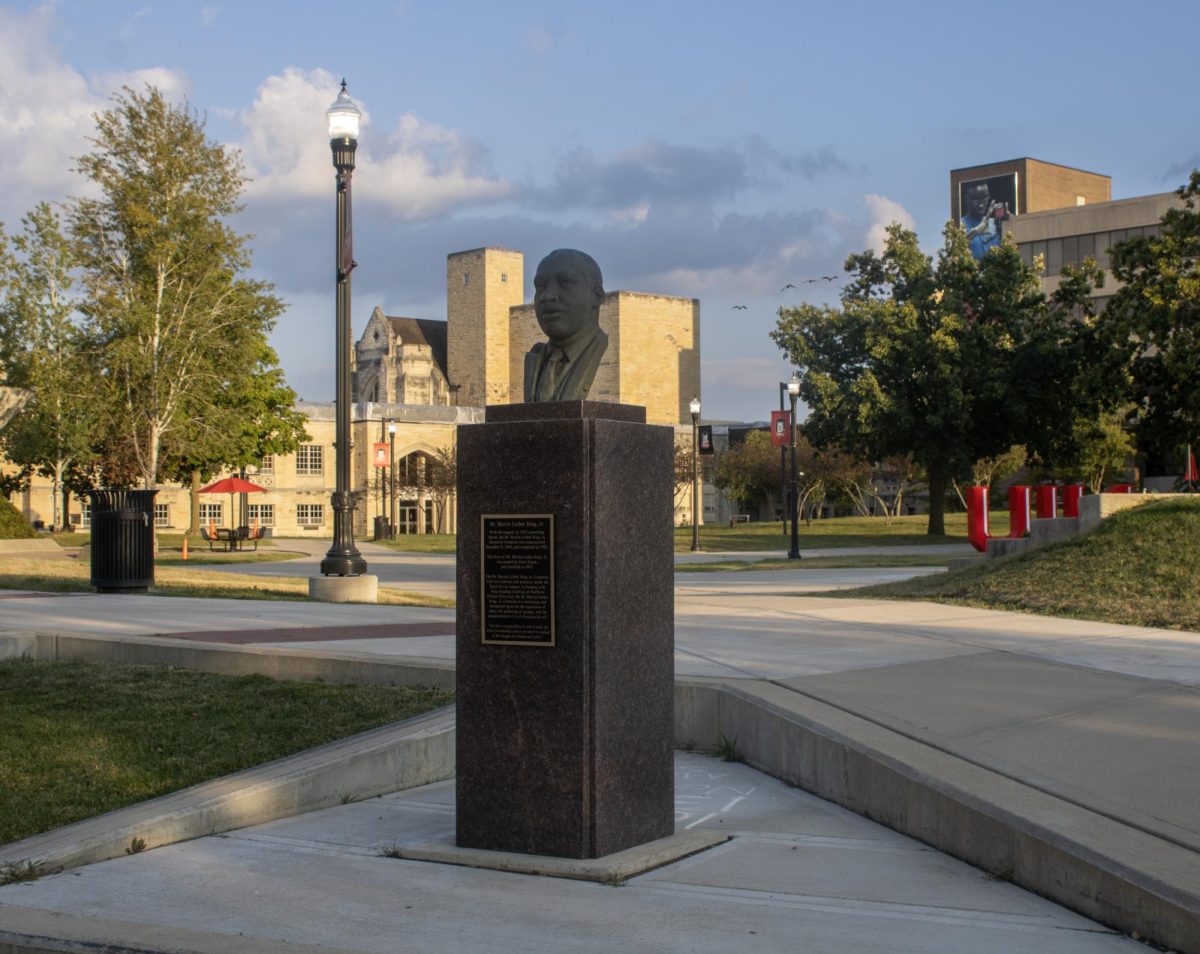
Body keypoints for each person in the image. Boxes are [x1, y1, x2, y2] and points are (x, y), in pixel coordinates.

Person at [523, 249, 609, 403]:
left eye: (565, 283)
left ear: (596, 296)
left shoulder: (605, 353)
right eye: (540, 286)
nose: (548, 296)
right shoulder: (536, 359)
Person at [960, 181, 1000, 259]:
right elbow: (956, 249)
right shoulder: (960, 225)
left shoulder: (997, 224)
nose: (981, 204)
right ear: (966, 200)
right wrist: (977, 230)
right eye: (976, 199)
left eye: (984, 198)